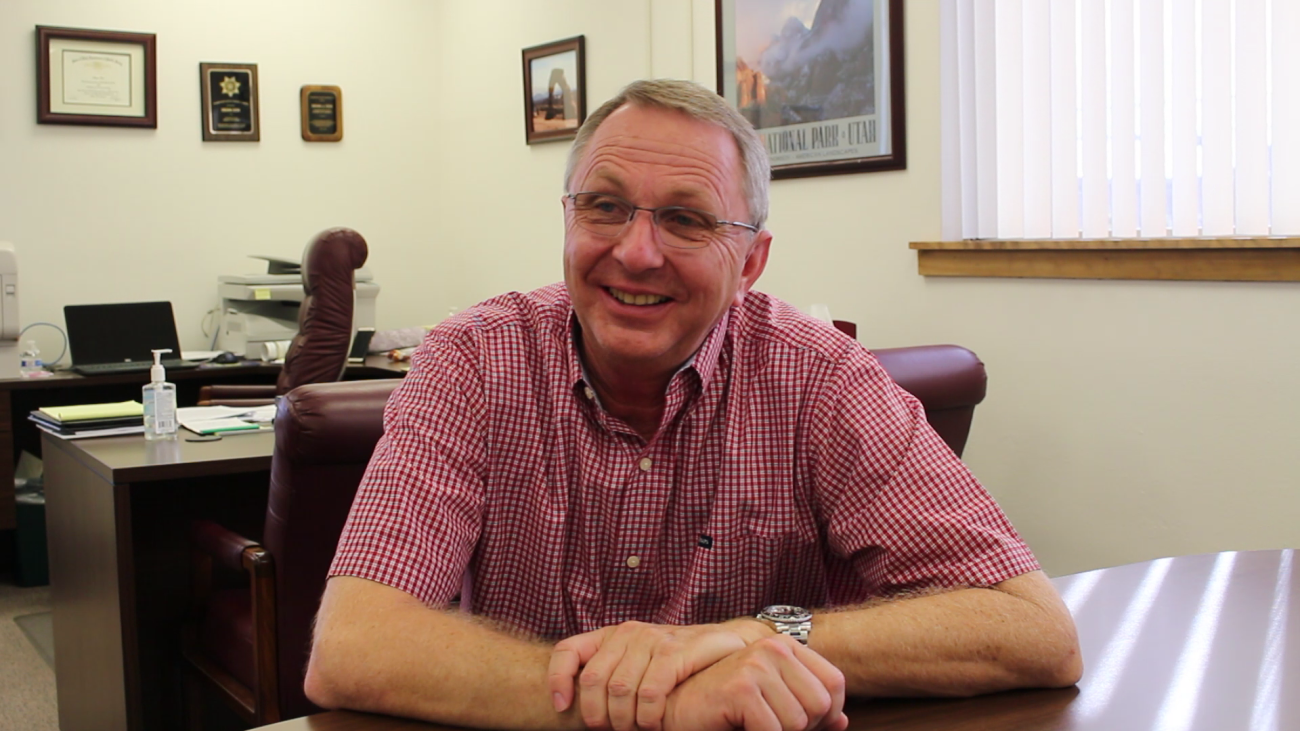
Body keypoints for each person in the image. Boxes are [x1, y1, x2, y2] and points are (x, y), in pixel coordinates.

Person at [305, 79, 1082, 731]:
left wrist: (751, 639)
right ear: (569, 219)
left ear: (751, 259)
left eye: (686, 218)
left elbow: (1034, 630)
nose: (637, 251)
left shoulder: (821, 379)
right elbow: (353, 645)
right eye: (605, 206)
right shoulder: (473, 362)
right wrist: (662, 703)